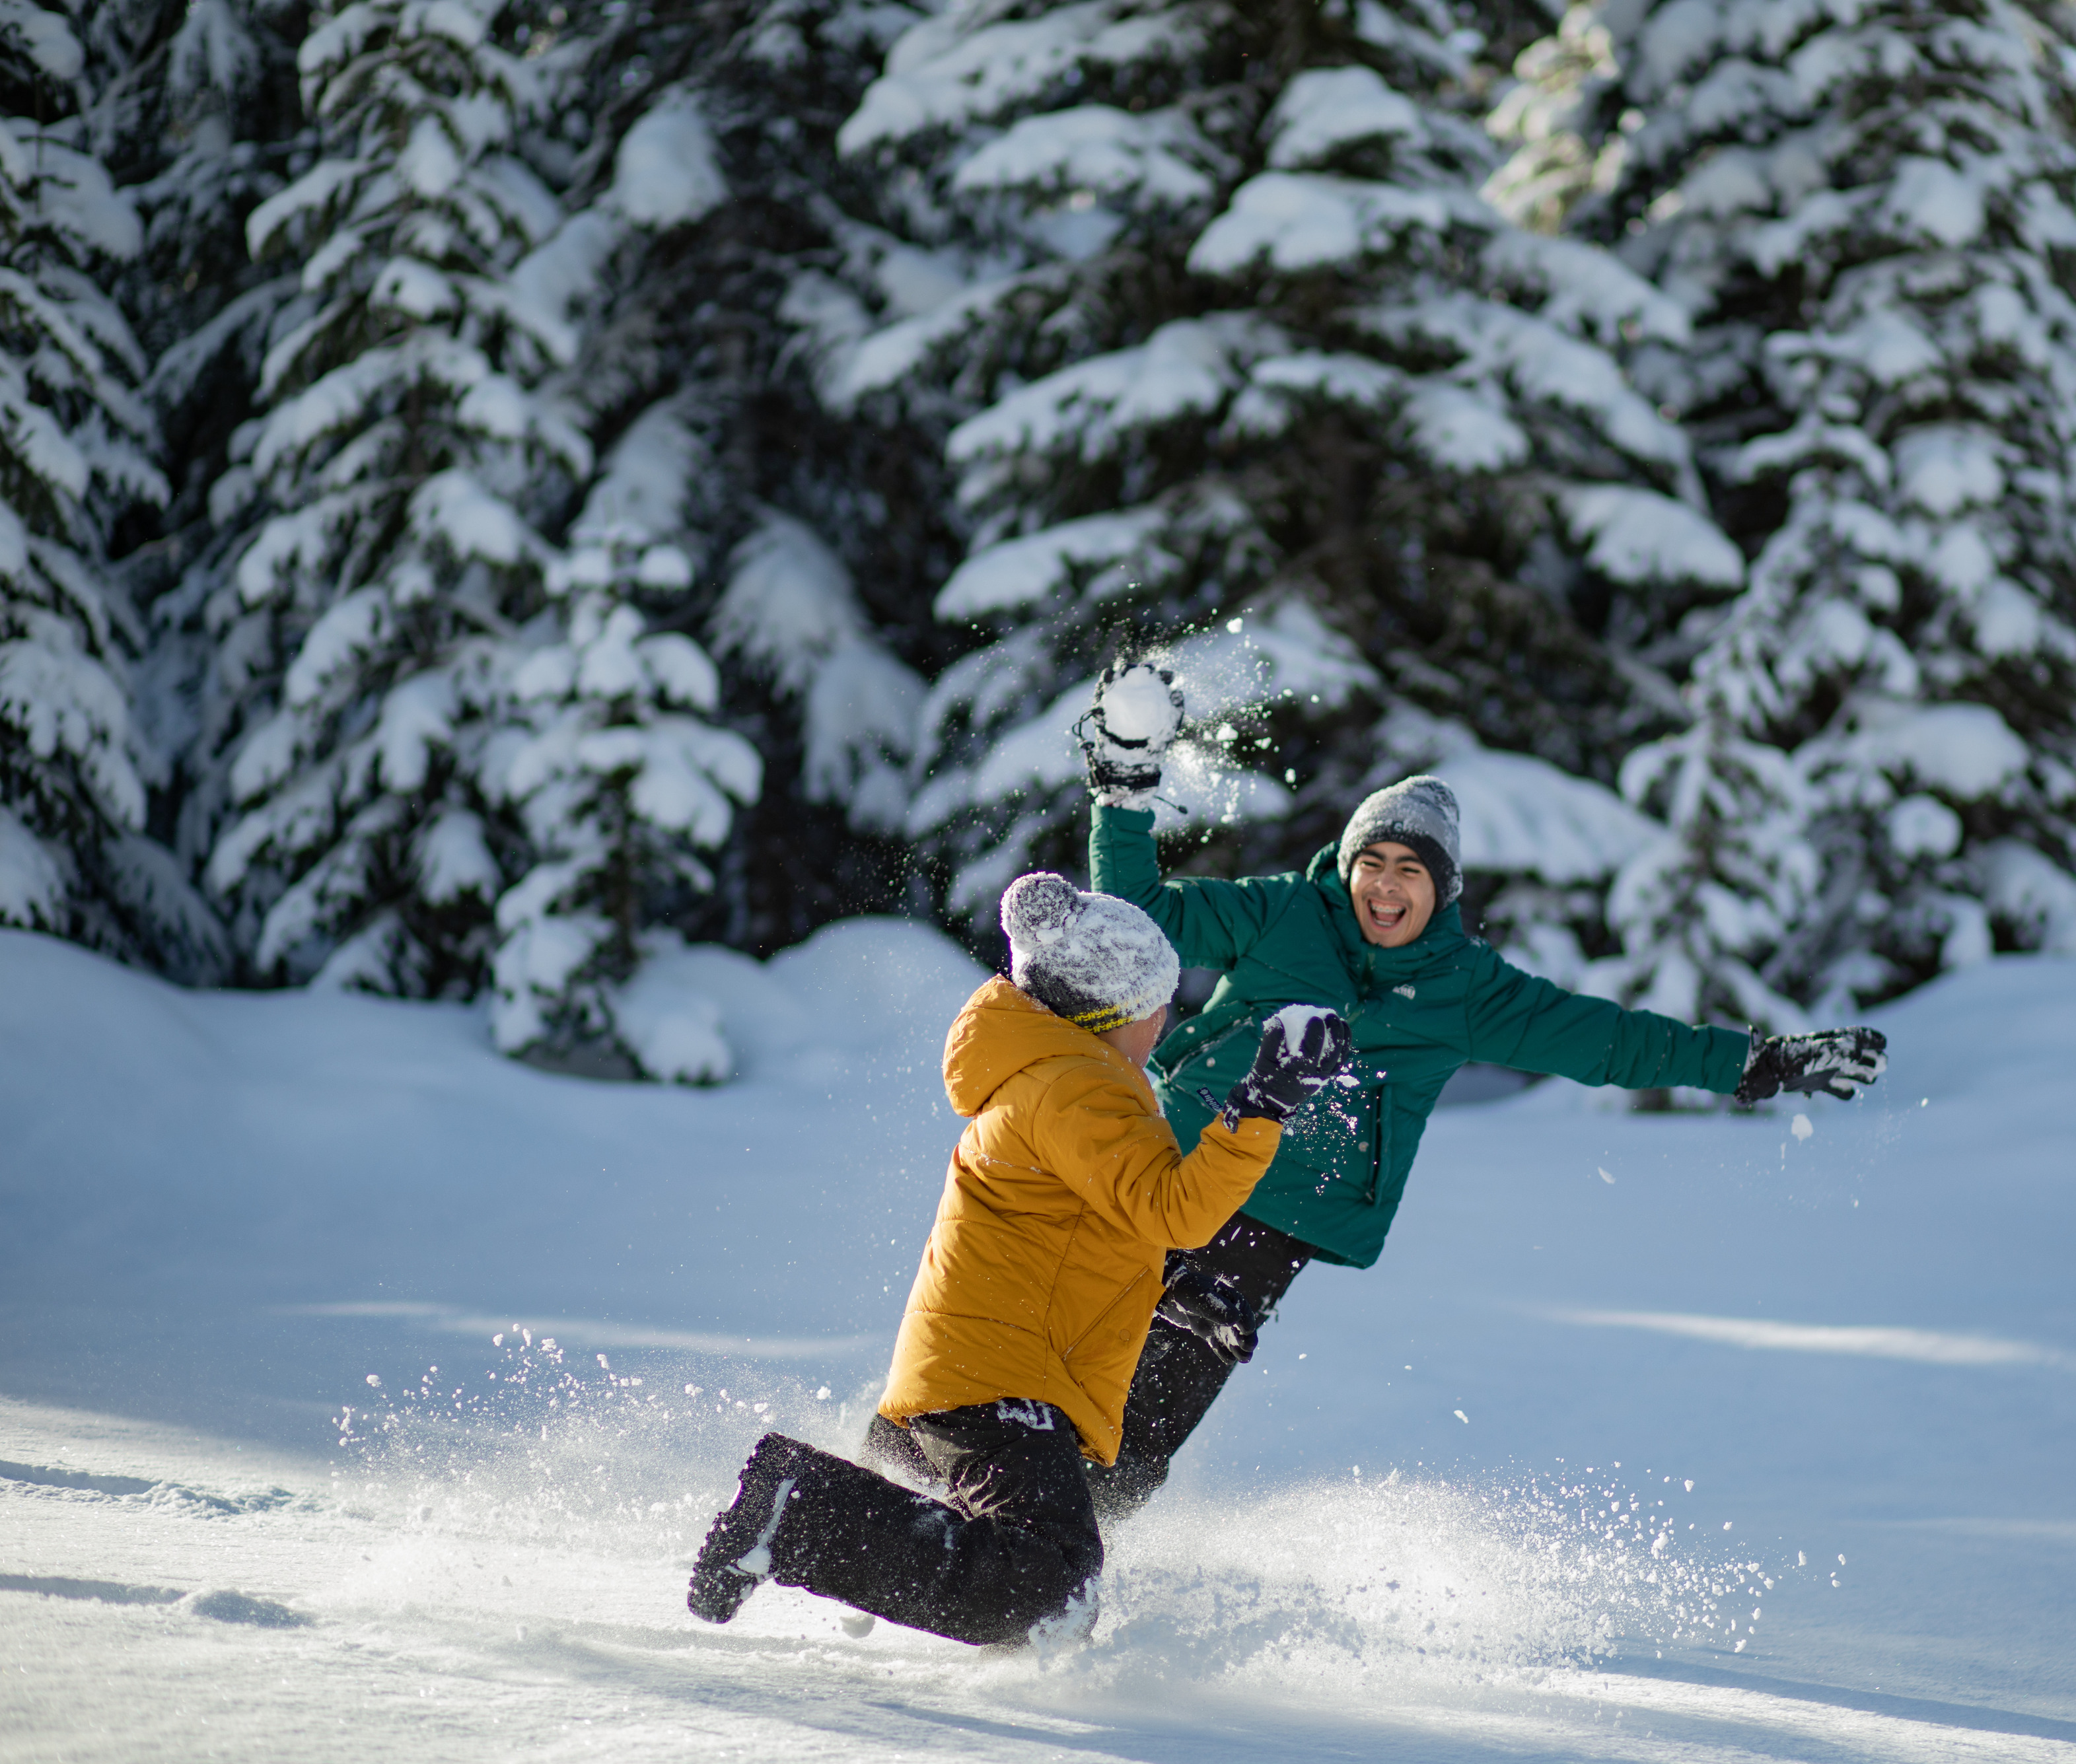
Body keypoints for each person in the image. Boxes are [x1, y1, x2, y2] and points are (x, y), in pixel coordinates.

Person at [1070, 662, 1890, 1516]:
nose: (1385, 884)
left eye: (1410, 870)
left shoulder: (1466, 989)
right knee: (1074, 1336)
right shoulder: (1285, 912)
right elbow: (1141, 916)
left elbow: (1606, 1039)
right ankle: (971, 1453)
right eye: (1372, 861)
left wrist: (1752, 1063)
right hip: (1179, 1156)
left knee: (1157, 1397)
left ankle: (1072, 1544)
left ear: (1444, 888)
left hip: (1280, 1216)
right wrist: (1123, 790)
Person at [686, 870, 1353, 1646]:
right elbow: (1173, 1206)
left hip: (980, 1368)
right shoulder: (1078, 1088)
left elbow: (1071, 1225)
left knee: (1048, 1582)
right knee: (1048, 1584)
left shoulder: (1051, 1079)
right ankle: (796, 1513)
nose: (1167, 1023)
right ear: (1112, 1016)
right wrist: (1261, 1104)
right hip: (999, 1378)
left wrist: (1171, 1285)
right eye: (1157, 1007)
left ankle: (815, 1519)